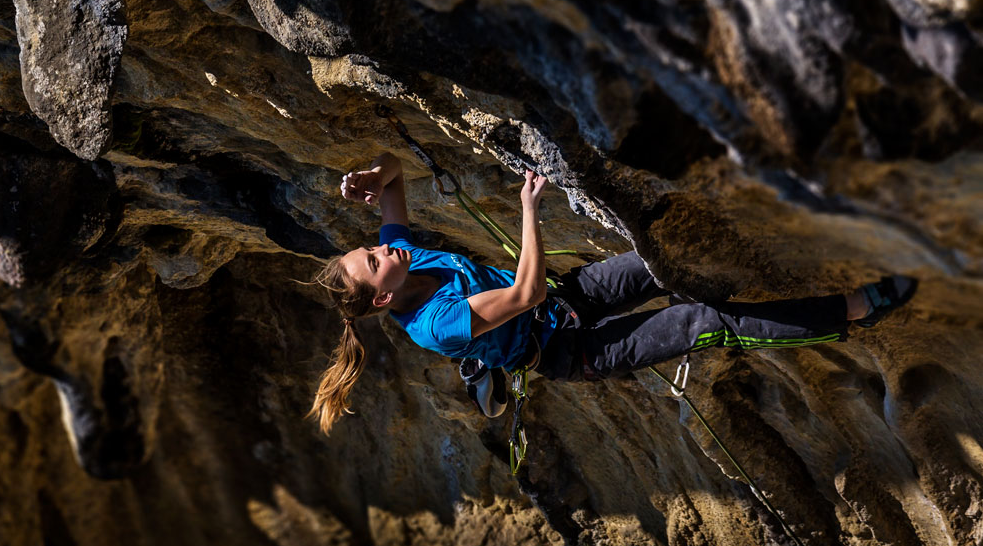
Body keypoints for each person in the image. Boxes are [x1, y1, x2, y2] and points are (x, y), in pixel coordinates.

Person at [306, 152, 919, 434]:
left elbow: (393, 179)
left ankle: (786, 235)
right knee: (697, 320)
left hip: (567, 301)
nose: (381, 249)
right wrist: (528, 209)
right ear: (382, 299)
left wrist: (374, 172)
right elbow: (522, 293)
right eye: (373, 260)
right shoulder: (433, 323)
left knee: (665, 258)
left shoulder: (406, 258)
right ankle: (855, 309)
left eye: (370, 247)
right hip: (573, 349)